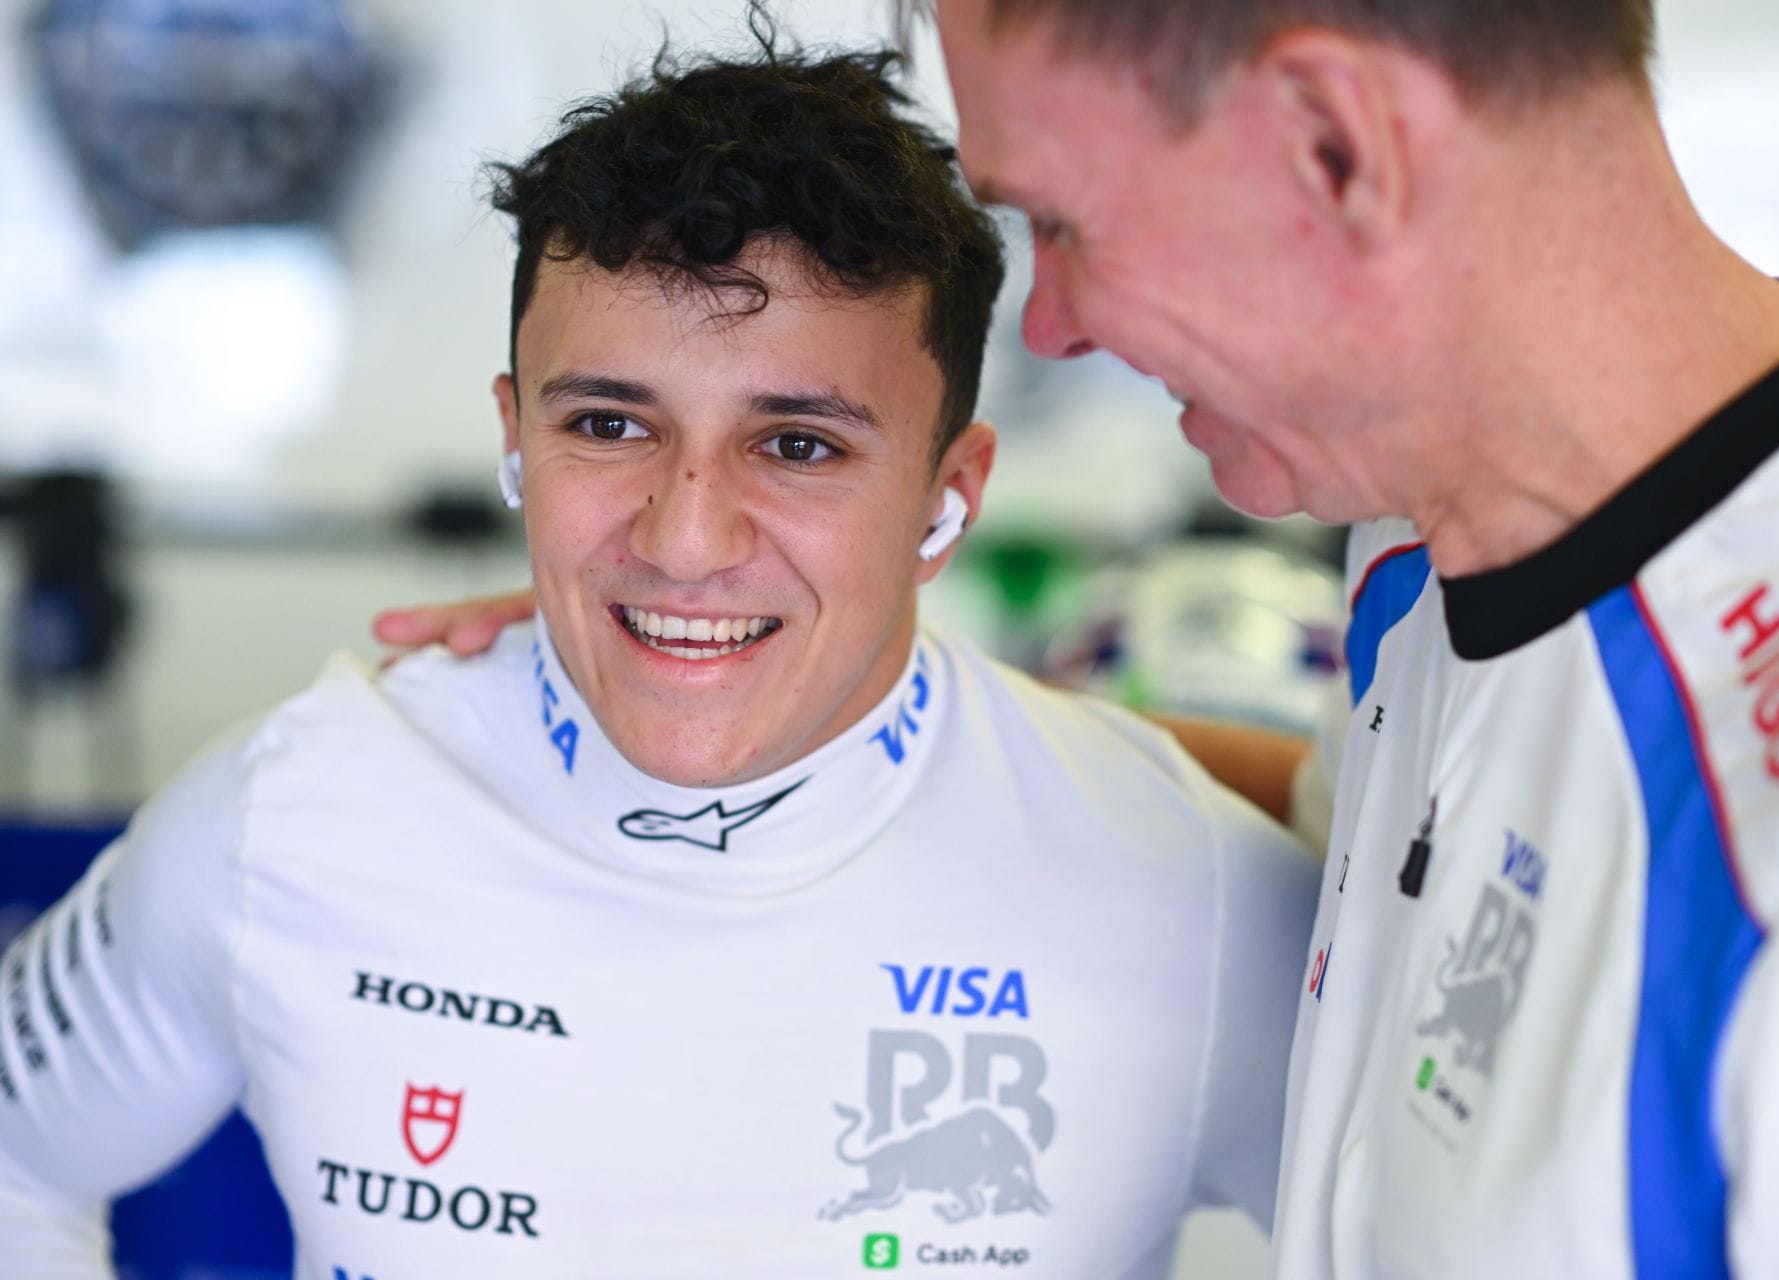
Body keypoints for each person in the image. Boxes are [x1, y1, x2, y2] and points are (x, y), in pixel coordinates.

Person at [397, 0, 1779, 1274]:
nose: (1051, 322)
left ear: (1336, 141)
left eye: (1065, 219)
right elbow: (1385, 864)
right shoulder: (1427, 544)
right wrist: (748, 662)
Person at [0, 30, 1322, 1280]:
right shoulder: (300, 802)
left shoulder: (1191, 888)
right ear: (516, 438)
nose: (686, 540)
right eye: (610, 428)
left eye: (798, 445)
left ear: (948, 492)